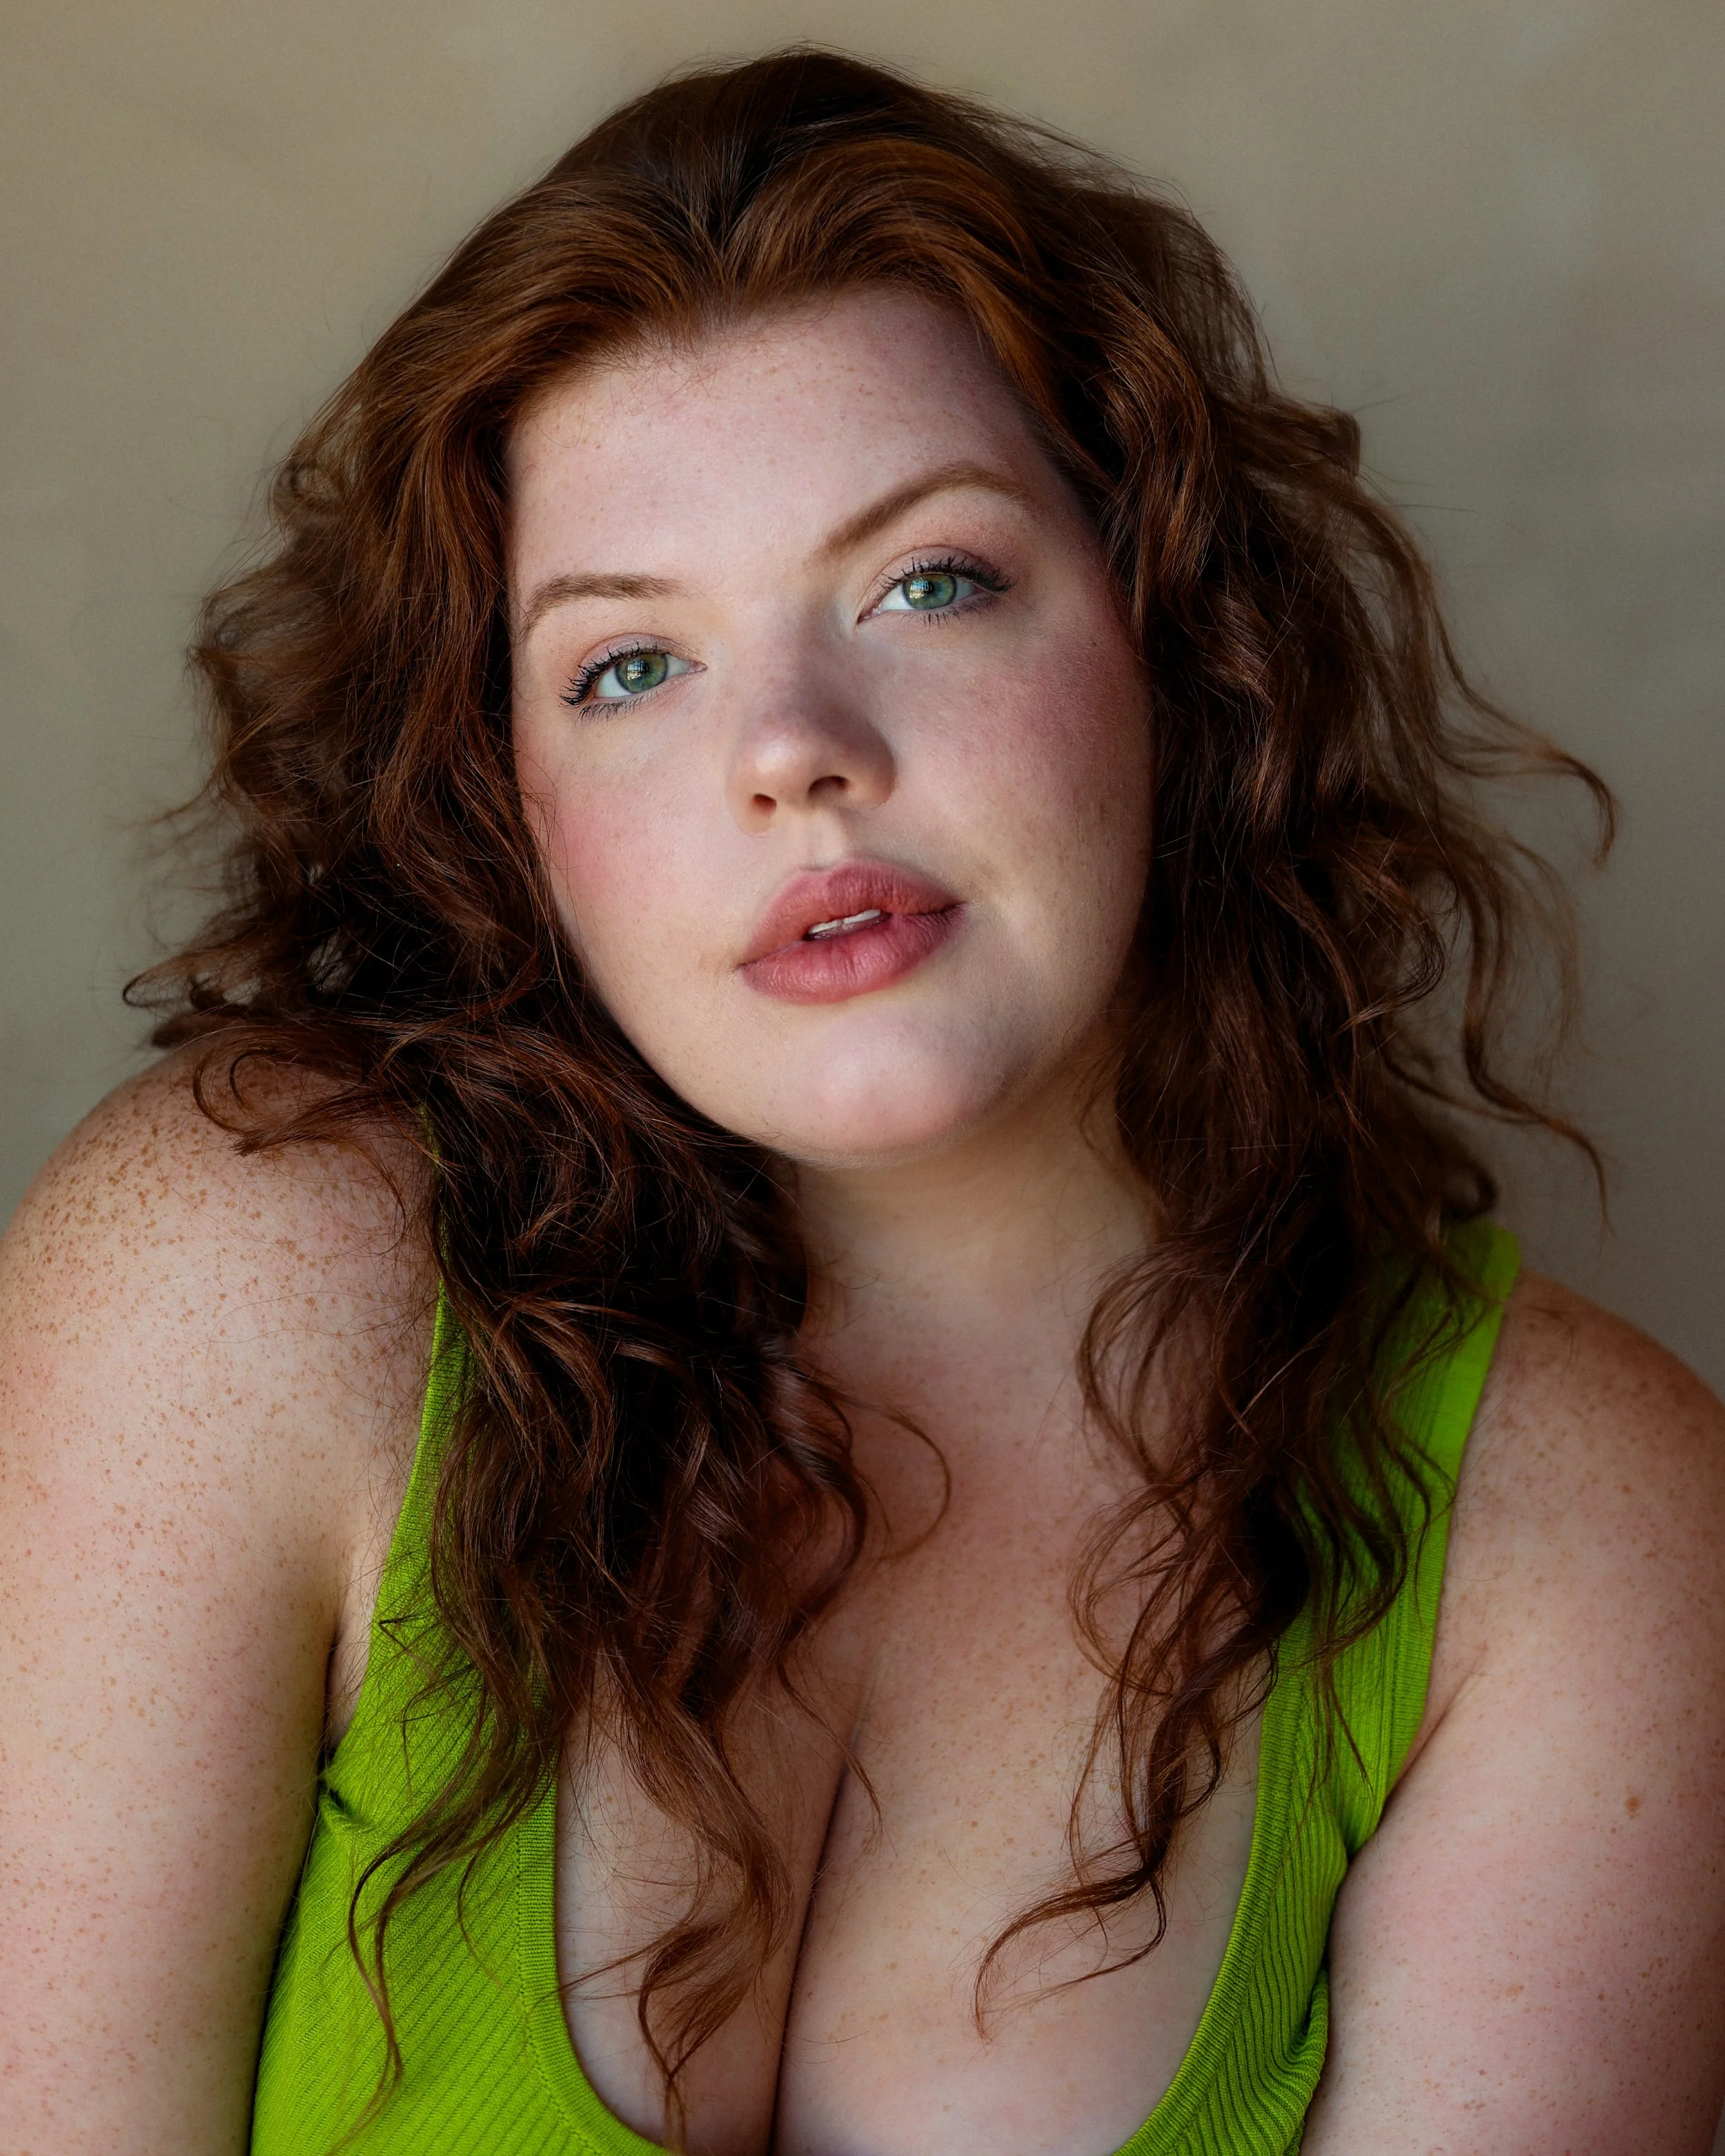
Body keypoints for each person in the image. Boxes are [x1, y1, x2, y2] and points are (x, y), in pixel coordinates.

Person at [2, 47, 1722, 2156]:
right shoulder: (240, 1273)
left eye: (929, 580)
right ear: (508, 810)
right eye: (628, 664)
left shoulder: (1575, 1525)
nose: (793, 750)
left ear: (1181, 645)